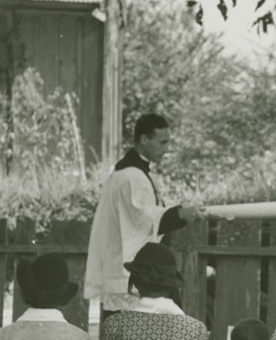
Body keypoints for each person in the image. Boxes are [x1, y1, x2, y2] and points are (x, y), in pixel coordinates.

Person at [85, 113, 205, 316]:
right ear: (144, 139)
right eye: (162, 142)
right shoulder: (131, 177)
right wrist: (180, 214)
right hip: (125, 272)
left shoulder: (137, 173)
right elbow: (144, 218)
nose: (166, 149)